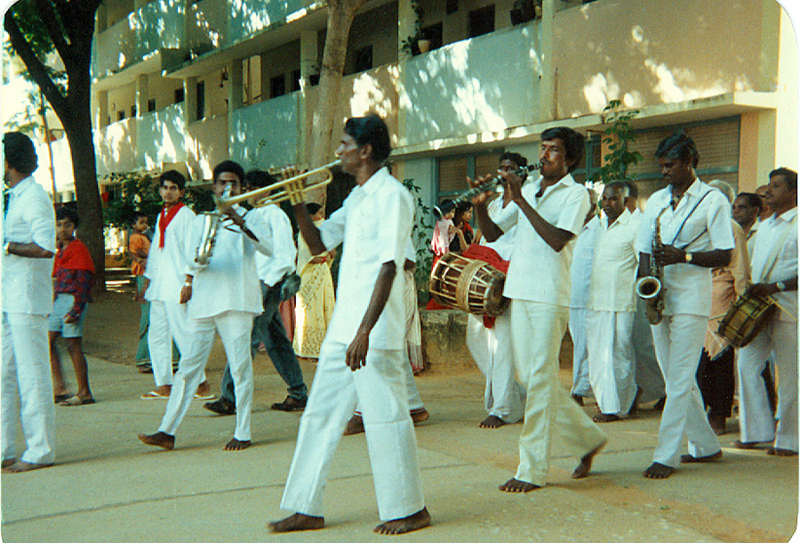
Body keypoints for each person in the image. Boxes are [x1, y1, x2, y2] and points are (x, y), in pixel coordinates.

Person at [269, 114, 430, 535]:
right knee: (319, 415)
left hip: (373, 330)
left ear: (366, 151)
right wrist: (297, 204)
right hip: (345, 326)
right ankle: (306, 506)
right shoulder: (358, 197)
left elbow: (391, 266)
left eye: (344, 144)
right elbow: (320, 243)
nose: (338, 151)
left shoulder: (392, 196)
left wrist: (365, 331)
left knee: (387, 417)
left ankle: (409, 508)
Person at [469, 126, 607, 493]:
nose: (544, 155)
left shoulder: (577, 195)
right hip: (520, 290)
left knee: (540, 379)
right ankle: (587, 438)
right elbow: (495, 234)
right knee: (532, 380)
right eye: (542, 148)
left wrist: (521, 200)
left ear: (571, 159)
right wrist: (481, 206)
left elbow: (558, 240)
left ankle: (530, 469)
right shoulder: (530, 189)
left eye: (553, 150)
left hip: (549, 295)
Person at [139, 160, 271, 451]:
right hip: (205, 300)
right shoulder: (202, 220)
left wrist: (240, 220)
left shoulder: (252, 217)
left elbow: (268, 248)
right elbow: (192, 259)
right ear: (213, 186)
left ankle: (243, 432)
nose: (227, 187)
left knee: (240, 368)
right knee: (187, 368)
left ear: (241, 187)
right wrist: (193, 271)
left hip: (237, 301)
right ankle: (167, 430)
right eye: (222, 182)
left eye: (233, 183)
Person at [634, 133, 734, 479]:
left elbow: (725, 252)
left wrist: (685, 256)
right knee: (674, 375)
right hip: (662, 294)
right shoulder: (659, 199)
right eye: (661, 165)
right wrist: (647, 287)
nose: (664, 171)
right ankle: (706, 445)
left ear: (690, 161)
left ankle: (666, 455)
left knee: (678, 377)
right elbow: (644, 248)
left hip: (692, 295)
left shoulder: (713, 200)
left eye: (670, 165)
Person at [204, 169, 309, 416]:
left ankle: (229, 398)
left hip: (266, 284)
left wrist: (268, 286)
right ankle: (298, 392)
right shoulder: (256, 214)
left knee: (245, 339)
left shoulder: (274, 214)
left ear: (265, 190)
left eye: (251, 188)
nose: (247, 193)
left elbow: (283, 255)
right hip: (257, 283)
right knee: (276, 342)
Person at [2, 131, 57, 473]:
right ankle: (5, 445)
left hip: (28, 300)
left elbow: (45, 247)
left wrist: (7, 247)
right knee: (4, 374)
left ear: (10, 161)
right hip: (10, 298)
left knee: (32, 375)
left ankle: (41, 449)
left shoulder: (34, 197)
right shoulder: (14, 196)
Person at [735, 168, 797, 456]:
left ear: (794, 193)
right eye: (769, 186)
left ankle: (789, 439)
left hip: (789, 309)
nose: (768, 191)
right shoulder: (766, 226)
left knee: (790, 375)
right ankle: (756, 431)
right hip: (759, 309)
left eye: (776, 186)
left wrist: (777, 286)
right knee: (747, 365)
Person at [467, 152, 527, 428]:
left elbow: (494, 234)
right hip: (488, 279)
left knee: (501, 345)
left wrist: (477, 206)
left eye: (510, 168)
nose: (503, 173)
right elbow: (486, 238)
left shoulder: (522, 201)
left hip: (510, 279)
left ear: (522, 173)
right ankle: (516, 397)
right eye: (501, 168)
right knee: (476, 340)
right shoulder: (492, 206)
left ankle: (501, 408)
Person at [343, 243, 430, 436]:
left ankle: (362, 414)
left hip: (394, 289)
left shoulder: (394, 216)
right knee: (392, 350)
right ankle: (414, 406)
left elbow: (408, 261)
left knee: (374, 348)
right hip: (376, 290)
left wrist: (379, 259)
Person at [138, 171, 210, 401]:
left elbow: (193, 250)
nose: (168, 192)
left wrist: (189, 280)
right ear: (160, 190)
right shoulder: (161, 215)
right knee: (157, 334)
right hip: (160, 284)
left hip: (178, 282)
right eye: (165, 187)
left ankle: (201, 383)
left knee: (183, 333)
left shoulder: (187, 216)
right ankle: (165, 384)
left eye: (173, 188)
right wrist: (148, 280)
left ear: (182, 192)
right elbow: (158, 252)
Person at [695, 180, 749, 435]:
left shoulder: (732, 228)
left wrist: (742, 306)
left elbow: (740, 272)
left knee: (720, 362)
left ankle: (719, 415)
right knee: (699, 362)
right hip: (697, 296)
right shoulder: (699, 224)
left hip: (722, 299)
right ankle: (704, 411)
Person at [586, 182, 639, 422]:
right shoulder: (597, 226)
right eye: (604, 199)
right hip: (596, 301)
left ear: (626, 201)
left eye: (613, 199)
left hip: (621, 302)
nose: (607, 204)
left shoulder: (635, 226)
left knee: (620, 355)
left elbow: (644, 265)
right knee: (598, 355)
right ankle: (607, 404)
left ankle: (619, 406)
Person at [623, 179, 666, 411]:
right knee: (634, 345)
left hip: (642, 292)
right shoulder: (621, 223)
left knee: (644, 345)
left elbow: (644, 259)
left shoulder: (640, 223)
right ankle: (642, 390)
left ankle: (660, 389)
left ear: (627, 200)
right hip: (627, 292)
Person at [49, 207, 96, 406]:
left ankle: (84, 392)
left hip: (73, 300)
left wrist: (76, 309)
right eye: (58, 224)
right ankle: (60, 387)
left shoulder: (79, 249)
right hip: (59, 300)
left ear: (74, 226)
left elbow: (84, 281)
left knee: (73, 344)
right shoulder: (60, 251)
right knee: (47, 340)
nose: (62, 229)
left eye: (67, 224)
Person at [292, 203, 335, 360]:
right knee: (310, 310)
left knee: (325, 307)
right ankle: (307, 349)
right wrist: (323, 257)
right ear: (310, 216)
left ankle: (325, 348)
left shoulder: (324, 229)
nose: (321, 216)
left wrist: (327, 256)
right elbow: (305, 255)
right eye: (319, 213)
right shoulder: (305, 232)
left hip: (323, 273)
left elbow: (332, 251)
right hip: (310, 275)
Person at [568, 187, 598, 406]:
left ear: (594, 207)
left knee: (589, 345)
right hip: (571, 296)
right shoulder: (570, 227)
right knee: (579, 345)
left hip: (591, 297)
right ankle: (580, 387)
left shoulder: (599, 229)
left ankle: (579, 390)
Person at [128, 211, 153, 373]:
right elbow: (138, 253)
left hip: (147, 273)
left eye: (146, 222)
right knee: (148, 316)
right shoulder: (136, 238)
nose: (144, 226)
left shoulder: (145, 237)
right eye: (141, 222)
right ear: (133, 225)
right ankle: (144, 358)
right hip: (144, 274)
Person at [732, 192, 762, 262]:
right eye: (734, 208)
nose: (736, 211)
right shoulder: (730, 233)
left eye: (741, 207)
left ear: (755, 210)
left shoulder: (763, 231)